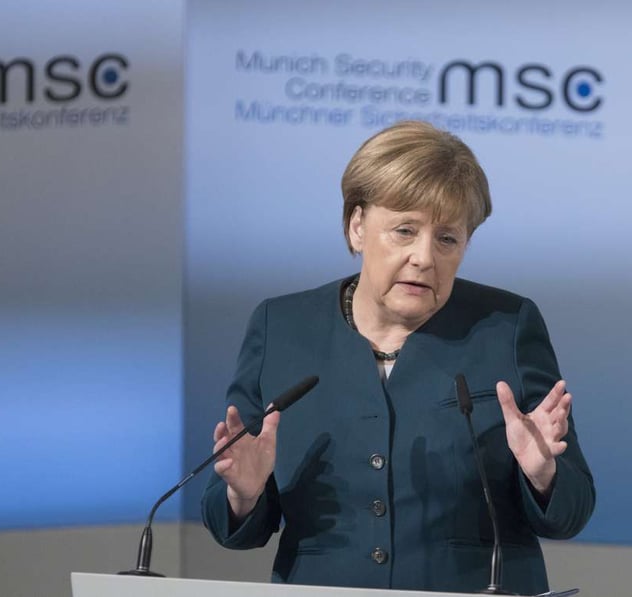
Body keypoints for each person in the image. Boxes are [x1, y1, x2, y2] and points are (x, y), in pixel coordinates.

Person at [201, 120, 595, 595]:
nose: (424, 257)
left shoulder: (506, 327)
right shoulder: (280, 328)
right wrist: (242, 493)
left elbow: (572, 509)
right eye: (405, 230)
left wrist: (543, 475)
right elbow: (229, 523)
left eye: (447, 238)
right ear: (357, 227)